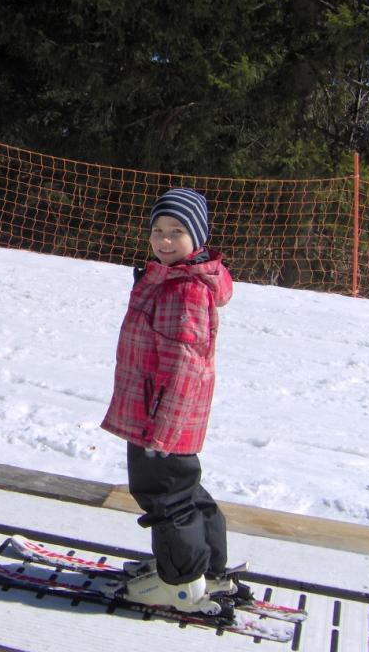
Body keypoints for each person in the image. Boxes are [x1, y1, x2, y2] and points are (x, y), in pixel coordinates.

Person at [100, 188, 236, 616]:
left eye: (176, 232)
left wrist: (164, 430)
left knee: (164, 496)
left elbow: (186, 366)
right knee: (184, 489)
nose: (163, 240)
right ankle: (207, 568)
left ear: (197, 238)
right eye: (158, 230)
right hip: (157, 412)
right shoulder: (167, 276)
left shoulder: (186, 289)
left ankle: (180, 583)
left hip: (160, 419)